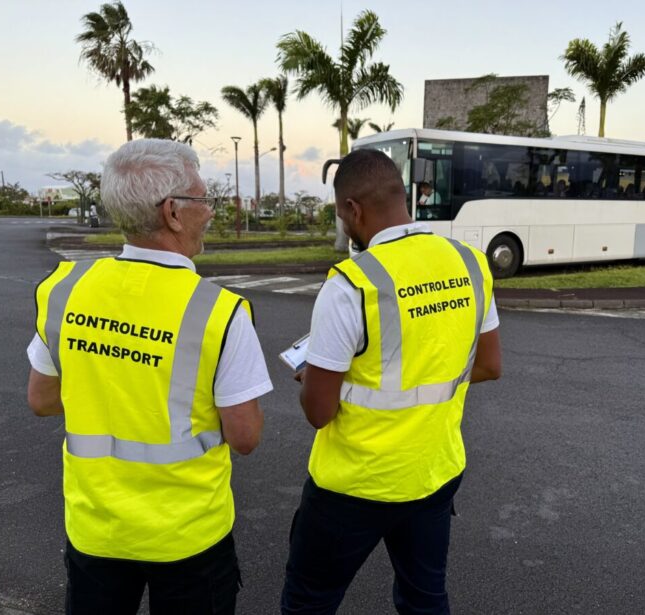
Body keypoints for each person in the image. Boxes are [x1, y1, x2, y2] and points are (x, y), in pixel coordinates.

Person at [26, 139, 272, 614]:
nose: (211, 212)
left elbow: (41, 399)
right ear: (173, 213)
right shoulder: (217, 311)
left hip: (96, 529)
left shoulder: (66, 290)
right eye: (204, 200)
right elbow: (244, 436)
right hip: (188, 536)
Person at [280, 149, 502, 614]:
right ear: (403, 196)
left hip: (352, 487)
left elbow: (318, 412)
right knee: (425, 599)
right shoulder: (469, 263)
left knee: (309, 601)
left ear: (352, 209)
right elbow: (488, 364)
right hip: (432, 475)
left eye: (342, 215)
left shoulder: (350, 285)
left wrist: (311, 378)